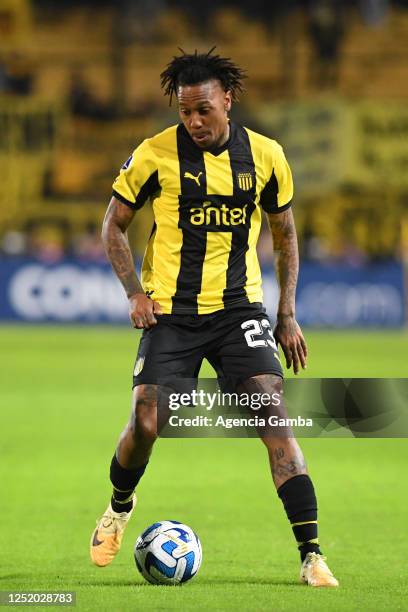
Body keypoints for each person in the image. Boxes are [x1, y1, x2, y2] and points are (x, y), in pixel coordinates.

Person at [90, 48, 338, 587]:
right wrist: (134, 292)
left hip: (238, 310)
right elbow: (113, 225)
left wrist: (287, 313)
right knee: (148, 421)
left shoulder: (267, 156)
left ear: (228, 100)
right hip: (171, 314)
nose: (194, 122)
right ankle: (118, 505)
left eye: (204, 110)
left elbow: (285, 234)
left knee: (272, 417)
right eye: (185, 112)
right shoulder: (155, 155)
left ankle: (312, 554)